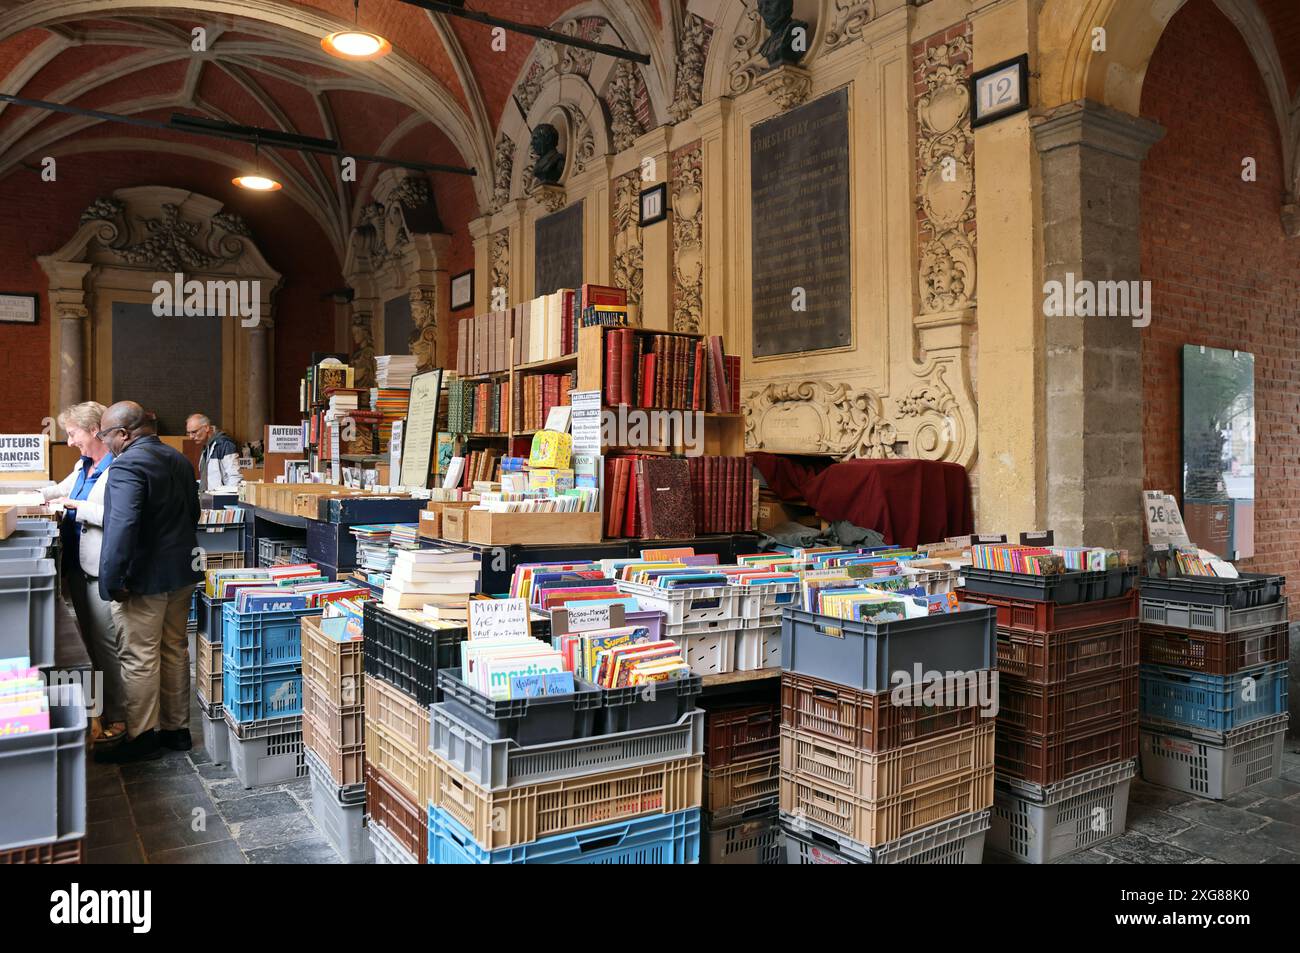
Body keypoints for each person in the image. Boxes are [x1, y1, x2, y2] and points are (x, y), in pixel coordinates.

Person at [96, 401, 203, 763]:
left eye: (106, 434)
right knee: (175, 649)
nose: (105, 442)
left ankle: (142, 737)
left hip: (143, 579)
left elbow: (122, 526)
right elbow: (194, 513)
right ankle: (177, 732)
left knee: (140, 658)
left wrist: (112, 580)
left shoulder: (126, 465)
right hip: (182, 572)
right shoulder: (178, 459)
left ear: (124, 434)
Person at [41, 402, 127, 743]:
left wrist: (78, 507)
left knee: (106, 647)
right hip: (75, 569)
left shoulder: (117, 469)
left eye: (73, 433)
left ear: (94, 430)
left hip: (97, 572)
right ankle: (98, 711)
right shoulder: (84, 465)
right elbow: (60, 489)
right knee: (85, 647)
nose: (70, 441)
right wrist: (30, 496)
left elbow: (118, 517)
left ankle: (120, 716)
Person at [186, 413, 240, 491]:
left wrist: (226, 500)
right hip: (209, 499)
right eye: (189, 433)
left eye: (194, 432)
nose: (191, 437)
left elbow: (235, 478)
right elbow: (210, 480)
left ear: (206, 428)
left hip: (221, 500)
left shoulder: (224, 444)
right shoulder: (207, 447)